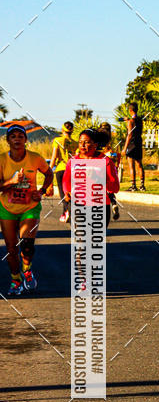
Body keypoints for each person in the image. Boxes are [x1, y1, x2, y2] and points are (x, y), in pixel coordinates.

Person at [0, 124, 54, 296]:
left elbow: (49, 173)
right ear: (8, 140)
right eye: (13, 136)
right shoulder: (1, 160)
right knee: (11, 249)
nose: (17, 139)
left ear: (26, 140)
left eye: (20, 136)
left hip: (30, 207)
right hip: (7, 208)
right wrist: (12, 182)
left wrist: (42, 191)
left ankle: (27, 269)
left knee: (27, 245)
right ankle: (16, 281)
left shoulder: (35, 158)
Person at [63, 128, 120, 227]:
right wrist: (67, 192)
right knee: (81, 235)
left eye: (87, 142)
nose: (82, 145)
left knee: (95, 236)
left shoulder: (105, 161)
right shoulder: (72, 161)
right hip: (78, 205)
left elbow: (115, 187)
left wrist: (98, 179)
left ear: (95, 144)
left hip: (99, 207)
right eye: (80, 142)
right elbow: (66, 181)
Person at [48, 121, 77, 221]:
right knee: (70, 192)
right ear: (72, 131)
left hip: (61, 168)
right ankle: (65, 213)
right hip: (72, 169)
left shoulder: (57, 140)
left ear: (62, 130)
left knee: (63, 193)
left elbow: (54, 157)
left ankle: (69, 210)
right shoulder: (75, 143)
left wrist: (49, 170)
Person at [99, 121, 120, 220]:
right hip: (111, 165)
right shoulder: (113, 140)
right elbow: (117, 155)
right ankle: (114, 203)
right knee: (109, 188)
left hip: (100, 164)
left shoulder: (98, 139)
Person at [122, 102, 145, 192]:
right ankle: (142, 186)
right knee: (139, 165)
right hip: (138, 142)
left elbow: (129, 135)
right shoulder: (140, 121)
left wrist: (125, 148)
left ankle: (133, 186)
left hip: (132, 144)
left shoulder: (130, 122)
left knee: (131, 166)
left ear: (130, 110)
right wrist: (128, 120)